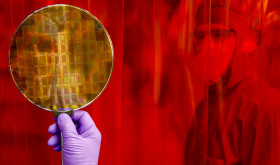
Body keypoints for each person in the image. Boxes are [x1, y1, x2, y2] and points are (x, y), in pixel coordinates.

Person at [185, 0, 280, 164]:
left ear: (241, 41)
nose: (206, 46)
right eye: (200, 36)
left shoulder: (264, 106)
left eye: (218, 35)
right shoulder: (204, 109)